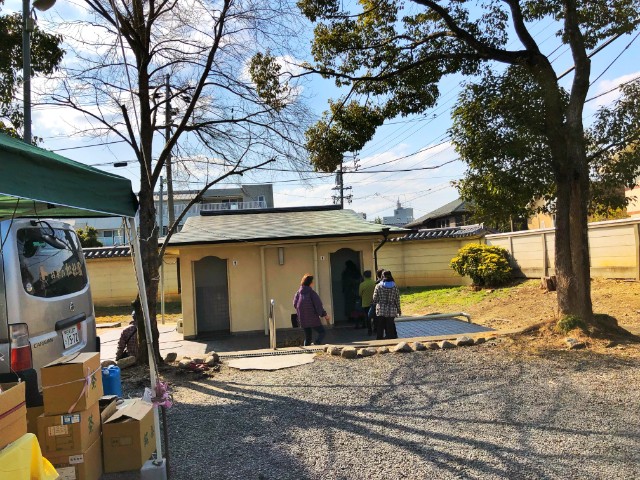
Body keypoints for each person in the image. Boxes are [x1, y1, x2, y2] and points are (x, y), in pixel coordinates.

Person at [293, 274, 330, 346]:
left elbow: (295, 304)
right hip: (313, 318)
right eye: (312, 282)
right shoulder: (312, 293)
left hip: (303, 318)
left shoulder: (298, 293)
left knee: (308, 337)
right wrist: (324, 314)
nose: (313, 283)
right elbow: (318, 305)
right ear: (310, 283)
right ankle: (316, 343)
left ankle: (306, 352)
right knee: (322, 332)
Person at [372, 270, 401, 340]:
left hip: (381, 308)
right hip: (391, 309)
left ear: (382, 276)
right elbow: (397, 299)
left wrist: (376, 302)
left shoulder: (378, 286)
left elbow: (374, 298)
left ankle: (379, 340)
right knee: (390, 326)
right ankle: (390, 340)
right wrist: (399, 310)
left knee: (380, 326)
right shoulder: (395, 286)